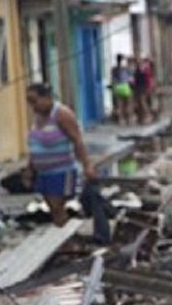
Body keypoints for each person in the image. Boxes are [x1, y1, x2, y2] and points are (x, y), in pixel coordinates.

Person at [24, 84, 98, 229]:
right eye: (29, 102)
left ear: (46, 97)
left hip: (61, 171)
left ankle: (69, 236)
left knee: (58, 207)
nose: (33, 106)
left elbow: (77, 140)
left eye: (34, 100)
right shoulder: (38, 117)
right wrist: (29, 168)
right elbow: (35, 146)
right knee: (53, 209)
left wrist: (87, 165)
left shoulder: (62, 114)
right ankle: (65, 236)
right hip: (43, 172)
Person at [110, 54, 133, 125]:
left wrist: (113, 87)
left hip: (118, 87)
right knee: (127, 104)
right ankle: (128, 119)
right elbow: (130, 78)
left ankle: (121, 119)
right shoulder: (126, 68)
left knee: (120, 105)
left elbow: (113, 78)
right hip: (125, 87)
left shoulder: (114, 69)